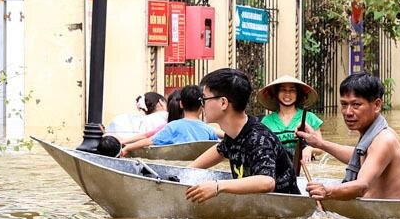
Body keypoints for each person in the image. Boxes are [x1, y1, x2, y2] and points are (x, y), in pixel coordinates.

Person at [183, 67, 301, 202]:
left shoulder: (258, 138)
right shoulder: (234, 133)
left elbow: (266, 181)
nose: (201, 105)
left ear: (223, 103)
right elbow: (220, 150)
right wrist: (186, 171)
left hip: (283, 215)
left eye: (204, 99)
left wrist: (217, 186)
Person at [301, 73, 400, 201]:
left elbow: (362, 186)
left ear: (377, 105)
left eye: (356, 105)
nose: (348, 112)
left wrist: (326, 192)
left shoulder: (384, 140)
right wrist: (320, 143)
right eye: (344, 104)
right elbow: (359, 156)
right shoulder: (373, 134)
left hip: (388, 217)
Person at [117, 85, 222, 153]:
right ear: (202, 106)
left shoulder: (172, 127)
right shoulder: (209, 130)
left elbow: (148, 141)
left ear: (181, 104)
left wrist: (127, 148)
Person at [259, 74, 324, 167]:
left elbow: (321, 148)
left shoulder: (310, 117)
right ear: (276, 93)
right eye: (283, 90)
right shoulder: (266, 121)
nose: (287, 94)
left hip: (305, 168)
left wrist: (310, 149)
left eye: (292, 90)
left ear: (298, 94)